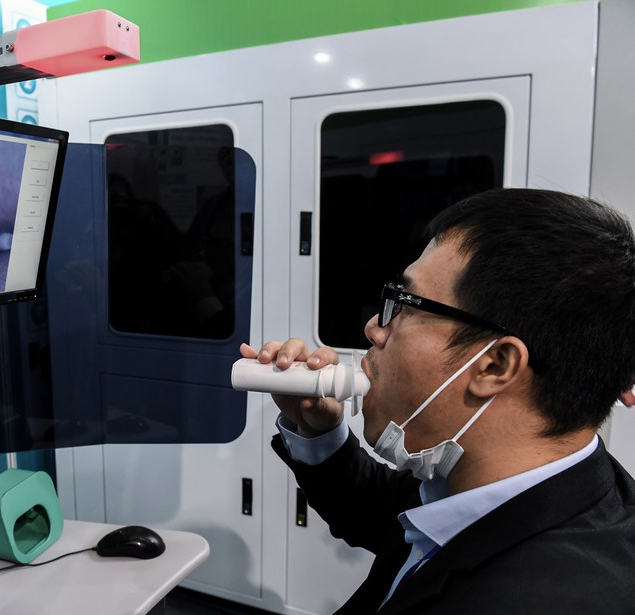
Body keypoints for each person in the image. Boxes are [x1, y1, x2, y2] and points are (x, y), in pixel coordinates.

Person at [241, 188, 635, 614]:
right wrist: (319, 430)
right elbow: (382, 514)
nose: (374, 327)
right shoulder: (526, 482)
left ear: (495, 365)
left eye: (405, 304)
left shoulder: (527, 599)